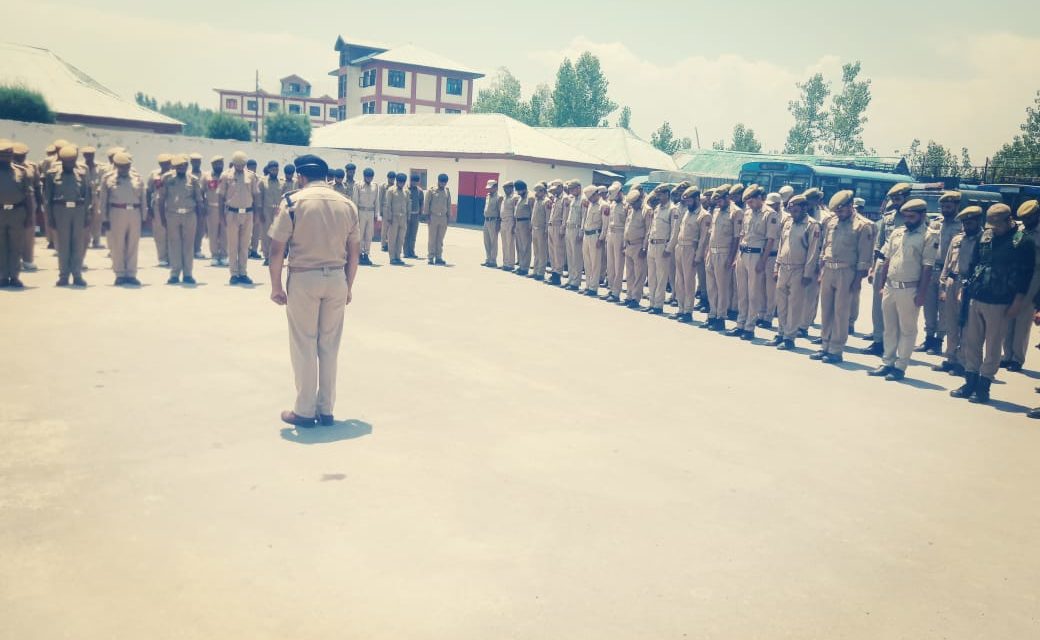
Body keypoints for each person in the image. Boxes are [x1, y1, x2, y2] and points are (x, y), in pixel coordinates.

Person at [268, 154, 360, 428]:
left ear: (301, 176)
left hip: (304, 279)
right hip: (336, 279)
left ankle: (305, 412)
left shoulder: (293, 202)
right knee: (329, 346)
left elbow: (276, 249)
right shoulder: (347, 204)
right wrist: (348, 287)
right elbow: (354, 252)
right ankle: (326, 409)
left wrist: (275, 286)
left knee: (304, 344)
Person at [951, 203, 1035, 403]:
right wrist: (965, 290)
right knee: (972, 342)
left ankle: (983, 387)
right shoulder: (985, 236)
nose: (994, 229)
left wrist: (1018, 301)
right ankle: (969, 381)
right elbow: (974, 264)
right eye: (991, 225)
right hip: (977, 296)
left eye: (997, 225)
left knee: (993, 346)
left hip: (1001, 301)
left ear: (1009, 220)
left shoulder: (1023, 241)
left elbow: (1026, 274)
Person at [868, 199, 939, 381]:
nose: (907, 220)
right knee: (889, 328)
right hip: (891, 287)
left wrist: (922, 294)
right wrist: (883, 284)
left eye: (912, 216)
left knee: (907, 329)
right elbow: (887, 259)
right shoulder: (898, 233)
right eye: (906, 216)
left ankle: (900, 366)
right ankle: (887, 362)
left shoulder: (929, 236)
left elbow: (927, 267)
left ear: (923, 216)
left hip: (910, 289)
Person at [812, 190, 873, 364]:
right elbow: (825, 247)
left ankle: (836, 350)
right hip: (829, 270)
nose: (838, 214)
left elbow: (864, 256)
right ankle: (825, 345)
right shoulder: (832, 222)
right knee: (826, 310)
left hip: (847, 272)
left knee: (841, 312)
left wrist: (857, 281)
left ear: (849, 206)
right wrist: (821, 270)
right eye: (836, 211)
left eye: (841, 211)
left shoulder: (862, 225)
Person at [933, 205, 984, 375]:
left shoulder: (984, 240)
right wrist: (943, 287)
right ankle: (951, 358)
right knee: (951, 323)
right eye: (964, 223)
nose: (966, 226)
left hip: (968, 284)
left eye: (969, 223)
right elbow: (947, 264)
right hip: (951, 283)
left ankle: (963, 362)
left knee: (967, 325)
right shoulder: (957, 239)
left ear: (978, 221)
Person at [864, 182, 912, 355]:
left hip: (902, 265)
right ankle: (878, 340)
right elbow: (878, 244)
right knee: (878, 305)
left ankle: (893, 343)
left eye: (898, 198)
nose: (895, 202)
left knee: (897, 308)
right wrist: (872, 268)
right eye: (893, 199)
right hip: (882, 262)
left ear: (907, 197)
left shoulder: (914, 217)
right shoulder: (888, 217)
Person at [727, 185, 779, 340]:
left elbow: (770, 240)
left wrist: (763, 261)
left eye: (751, 202)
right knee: (742, 292)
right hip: (743, 254)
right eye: (747, 203)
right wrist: (737, 256)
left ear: (758, 199)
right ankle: (740, 323)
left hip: (757, 255)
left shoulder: (770, 214)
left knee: (753, 293)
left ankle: (750, 327)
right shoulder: (748, 213)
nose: (749, 205)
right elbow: (743, 235)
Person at [771, 194, 820, 350]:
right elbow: (781, 245)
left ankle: (789, 337)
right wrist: (776, 267)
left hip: (799, 269)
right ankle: (781, 333)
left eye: (796, 210)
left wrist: (808, 274)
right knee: (782, 304)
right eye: (791, 210)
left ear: (805, 208)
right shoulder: (787, 222)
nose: (793, 213)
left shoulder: (812, 225)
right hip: (784, 268)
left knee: (794, 305)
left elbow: (813, 252)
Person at [917, 191, 962, 355]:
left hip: (948, 271)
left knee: (944, 309)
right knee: (928, 307)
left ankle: (938, 341)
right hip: (931, 269)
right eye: (942, 206)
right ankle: (928, 338)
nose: (945, 209)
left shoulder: (961, 226)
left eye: (948, 206)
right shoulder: (936, 223)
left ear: (957, 206)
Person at [43, 145, 91, 286]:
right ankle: (63, 276)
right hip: (61, 210)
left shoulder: (83, 171)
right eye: (67, 161)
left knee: (78, 244)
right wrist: (50, 217)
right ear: (62, 160)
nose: (70, 164)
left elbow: (87, 194)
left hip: (78, 209)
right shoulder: (52, 173)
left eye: (72, 161)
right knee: (63, 245)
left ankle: (77, 275)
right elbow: (48, 198)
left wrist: (87, 214)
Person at [1001, 200, 1040, 371]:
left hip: (1034, 277)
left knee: (1023, 319)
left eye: (1029, 217)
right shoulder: (1020, 231)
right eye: (1023, 218)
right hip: (1015, 276)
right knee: (1009, 315)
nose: (1026, 221)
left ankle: (1017, 358)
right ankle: (1007, 355)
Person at [99, 152, 147, 286]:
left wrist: (144, 217)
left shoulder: (137, 178)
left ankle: (131, 274)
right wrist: (104, 218)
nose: (125, 169)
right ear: (116, 165)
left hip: (135, 213)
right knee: (117, 245)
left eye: (127, 166)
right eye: (122, 166)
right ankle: (120, 274)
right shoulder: (108, 178)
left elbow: (143, 198)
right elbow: (103, 200)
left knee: (133, 245)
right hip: (116, 212)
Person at [158, 155, 204, 285]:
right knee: (174, 245)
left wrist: (200, 220)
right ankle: (174, 274)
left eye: (184, 165)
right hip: (172, 215)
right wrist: (162, 217)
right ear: (175, 167)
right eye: (179, 166)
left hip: (190, 215)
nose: (182, 168)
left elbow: (199, 200)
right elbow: (161, 199)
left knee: (188, 245)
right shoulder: (167, 179)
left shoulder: (194, 180)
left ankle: (188, 274)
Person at [218, 151, 261, 285]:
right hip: (232, 213)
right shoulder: (226, 176)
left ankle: (243, 273)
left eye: (242, 164)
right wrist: (221, 216)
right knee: (233, 245)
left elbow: (256, 195)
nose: (240, 166)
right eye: (238, 164)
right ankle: (234, 274)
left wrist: (257, 214)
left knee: (244, 245)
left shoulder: (252, 176)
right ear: (234, 163)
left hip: (248, 213)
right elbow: (220, 196)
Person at [0, 140, 37, 288]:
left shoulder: (21, 172)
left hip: (17, 212)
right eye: (2, 156)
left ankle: (14, 276)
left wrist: (30, 217)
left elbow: (28, 196)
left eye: (8, 156)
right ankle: (2, 277)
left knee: (16, 246)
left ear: (11, 157)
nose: (5, 159)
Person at [704, 186, 741, 330]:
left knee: (722, 288)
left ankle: (721, 317)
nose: (718, 204)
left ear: (727, 198)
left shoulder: (736, 212)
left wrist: (732, 258)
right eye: (716, 201)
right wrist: (707, 251)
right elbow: (711, 234)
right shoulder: (716, 211)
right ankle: (712, 314)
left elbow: (736, 238)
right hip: (712, 253)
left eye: (720, 201)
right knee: (711, 287)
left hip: (725, 253)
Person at [671, 185, 702, 322]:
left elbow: (703, 239)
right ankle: (681, 308)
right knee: (679, 281)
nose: (687, 203)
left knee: (689, 282)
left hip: (691, 248)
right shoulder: (686, 213)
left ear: (696, 199)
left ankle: (688, 311)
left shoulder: (702, 215)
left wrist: (698, 255)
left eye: (689, 201)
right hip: (680, 247)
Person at [11, 142, 43, 274]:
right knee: (12, 233)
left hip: (29, 202)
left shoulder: (32, 166)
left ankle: (28, 260)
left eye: (23, 156)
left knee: (29, 233)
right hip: (13, 203)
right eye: (18, 156)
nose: (21, 158)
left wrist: (40, 204)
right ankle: (13, 260)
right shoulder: (8, 167)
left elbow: (37, 186)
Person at [645, 184, 674, 313]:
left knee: (661, 277)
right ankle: (651, 303)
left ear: (667, 194)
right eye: (658, 195)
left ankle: (658, 305)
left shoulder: (672, 210)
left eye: (661, 194)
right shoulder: (657, 208)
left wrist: (669, 248)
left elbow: (674, 231)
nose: (659, 197)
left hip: (662, 245)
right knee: (651, 276)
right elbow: (652, 228)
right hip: (652, 244)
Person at [622, 188, 648, 308]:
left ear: (640, 200)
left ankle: (636, 298)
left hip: (638, 245)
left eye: (634, 203)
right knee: (630, 274)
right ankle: (629, 295)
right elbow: (627, 227)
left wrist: (644, 248)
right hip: (629, 245)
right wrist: (624, 244)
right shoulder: (631, 210)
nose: (632, 205)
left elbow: (648, 231)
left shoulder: (646, 211)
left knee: (639, 275)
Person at [581, 183, 607, 295]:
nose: (590, 199)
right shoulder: (591, 204)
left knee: (595, 263)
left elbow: (605, 225)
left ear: (596, 194)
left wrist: (601, 239)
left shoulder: (604, 206)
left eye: (591, 197)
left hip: (595, 236)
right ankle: (588, 285)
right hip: (587, 235)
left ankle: (593, 287)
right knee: (587, 263)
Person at [146, 154, 172, 267]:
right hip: (157, 206)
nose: (165, 165)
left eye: (167, 163)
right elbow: (148, 191)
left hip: (172, 206)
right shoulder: (154, 174)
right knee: (160, 233)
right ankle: (162, 258)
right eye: (162, 164)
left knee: (172, 233)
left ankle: (172, 257)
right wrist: (149, 208)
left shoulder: (174, 175)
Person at [603, 181, 627, 302]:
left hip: (620, 234)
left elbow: (628, 224)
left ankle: (616, 292)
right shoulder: (611, 205)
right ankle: (611, 289)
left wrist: (625, 242)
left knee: (618, 265)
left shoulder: (626, 205)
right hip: (611, 234)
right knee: (610, 264)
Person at [202, 156, 228, 266]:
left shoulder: (227, 176)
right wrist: (204, 206)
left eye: (220, 163)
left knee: (224, 233)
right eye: (216, 164)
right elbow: (201, 191)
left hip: (225, 208)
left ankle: (223, 255)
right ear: (212, 165)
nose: (219, 166)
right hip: (211, 208)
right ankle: (214, 256)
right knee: (212, 233)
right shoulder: (206, 176)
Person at [258, 161, 283, 266]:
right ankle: (267, 256)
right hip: (266, 211)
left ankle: (276, 257)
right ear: (268, 170)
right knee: (266, 235)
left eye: (276, 169)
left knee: (277, 235)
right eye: (273, 170)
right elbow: (259, 199)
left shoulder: (282, 182)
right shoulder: (262, 182)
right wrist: (260, 213)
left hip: (278, 211)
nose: (275, 171)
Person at [425, 173, 452, 265]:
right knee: (432, 238)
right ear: (438, 181)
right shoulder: (431, 190)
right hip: (433, 217)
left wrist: (449, 217)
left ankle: (439, 257)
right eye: (442, 182)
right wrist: (427, 216)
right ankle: (430, 257)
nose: (443, 184)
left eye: (445, 183)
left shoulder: (447, 191)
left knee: (440, 239)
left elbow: (448, 204)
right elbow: (427, 203)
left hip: (443, 218)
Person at [563, 180, 585, 290]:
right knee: (570, 256)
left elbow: (584, 217)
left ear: (579, 188)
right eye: (570, 189)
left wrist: (581, 232)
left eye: (573, 189)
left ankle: (576, 282)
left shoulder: (583, 200)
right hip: (569, 228)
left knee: (576, 257)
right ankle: (571, 278)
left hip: (576, 229)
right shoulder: (572, 199)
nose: (571, 191)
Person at [356, 168, 380, 266]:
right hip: (361, 211)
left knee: (369, 235)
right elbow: (355, 200)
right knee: (360, 235)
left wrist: (376, 215)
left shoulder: (375, 186)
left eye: (371, 177)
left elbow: (377, 201)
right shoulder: (358, 185)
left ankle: (366, 254)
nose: (369, 178)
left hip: (370, 212)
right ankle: (359, 254)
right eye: (367, 177)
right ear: (364, 176)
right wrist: (355, 215)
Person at [384, 173, 410, 265]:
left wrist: (408, 217)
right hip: (394, 218)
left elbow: (408, 204)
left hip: (403, 218)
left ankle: (398, 257)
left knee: (400, 239)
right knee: (392, 238)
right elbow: (388, 205)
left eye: (403, 182)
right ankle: (392, 258)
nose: (401, 184)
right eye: (400, 182)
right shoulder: (391, 191)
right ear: (397, 181)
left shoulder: (406, 191)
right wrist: (389, 217)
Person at [547, 180, 567, 284]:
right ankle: (554, 272)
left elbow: (565, 215)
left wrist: (562, 229)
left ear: (560, 187)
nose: (554, 191)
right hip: (551, 225)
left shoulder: (565, 198)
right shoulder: (555, 198)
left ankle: (557, 275)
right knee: (552, 252)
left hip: (558, 227)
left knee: (558, 252)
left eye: (555, 189)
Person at [513, 180, 533, 275]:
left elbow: (533, 212)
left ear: (524, 189)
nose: (518, 192)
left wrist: (531, 225)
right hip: (518, 223)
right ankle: (521, 265)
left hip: (525, 223)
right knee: (519, 246)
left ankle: (525, 268)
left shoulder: (530, 197)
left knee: (525, 246)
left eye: (519, 191)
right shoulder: (520, 197)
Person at [530, 182, 550, 280]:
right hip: (534, 228)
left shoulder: (546, 202)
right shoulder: (536, 201)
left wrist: (546, 231)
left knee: (542, 252)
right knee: (536, 252)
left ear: (543, 191)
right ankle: (535, 271)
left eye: (538, 191)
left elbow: (547, 218)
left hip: (542, 230)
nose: (536, 194)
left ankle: (541, 273)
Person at [189, 152, 206, 258]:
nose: (196, 163)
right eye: (194, 161)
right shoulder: (187, 175)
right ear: (191, 162)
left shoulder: (205, 175)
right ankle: (189, 250)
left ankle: (197, 249)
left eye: (198, 161)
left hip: (202, 205)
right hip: (190, 206)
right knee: (190, 229)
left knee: (200, 229)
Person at [481, 179, 501, 268]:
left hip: (494, 221)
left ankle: (493, 260)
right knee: (486, 241)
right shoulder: (488, 196)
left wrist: (498, 223)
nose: (489, 190)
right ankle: (488, 259)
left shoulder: (499, 197)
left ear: (496, 187)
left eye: (491, 188)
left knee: (493, 242)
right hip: (486, 220)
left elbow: (500, 211)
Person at [404, 174, 423, 259]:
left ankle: (412, 251)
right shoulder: (405, 190)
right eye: (413, 181)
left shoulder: (420, 191)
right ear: (410, 181)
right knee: (406, 234)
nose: (415, 183)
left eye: (416, 182)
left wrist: (421, 213)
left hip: (416, 215)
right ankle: (406, 252)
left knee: (413, 235)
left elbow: (421, 202)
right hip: (407, 215)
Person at [499, 180, 517, 271]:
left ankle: (510, 264)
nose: (505, 190)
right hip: (503, 222)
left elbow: (515, 212)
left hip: (510, 222)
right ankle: (505, 263)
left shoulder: (514, 198)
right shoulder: (504, 198)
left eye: (506, 188)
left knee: (510, 244)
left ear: (511, 188)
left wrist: (514, 225)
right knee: (504, 244)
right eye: (504, 188)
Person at [379, 170, 395, 253]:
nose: (391, 180)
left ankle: (389, 244)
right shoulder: (383, 186)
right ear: (388, 178)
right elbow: (380, 198)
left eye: (393, 178)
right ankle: (383, 245)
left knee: (391, 228)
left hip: (393, 209)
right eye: (390, 178)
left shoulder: (395, 187)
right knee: (384, 228)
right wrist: (380, 210)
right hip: (385, 208)